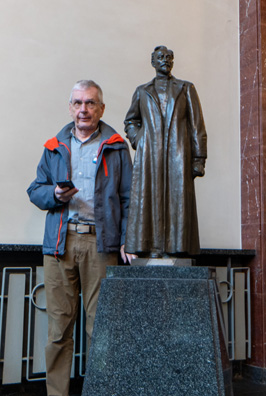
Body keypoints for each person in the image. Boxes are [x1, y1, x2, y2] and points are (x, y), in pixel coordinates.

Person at [27, 80, 134, 396]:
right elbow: (36, 190)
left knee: (101, 330)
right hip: (60, 245)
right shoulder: (54, 146)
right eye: (77, 103)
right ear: (70, 106)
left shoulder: (116, 146)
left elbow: (129, 198)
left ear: (101, 108)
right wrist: (56, 194)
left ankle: (100, 391)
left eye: (90, 103)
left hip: (101, 245)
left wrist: (127, 237)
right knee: (59, 331)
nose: (83, 109)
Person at [124, 46, 207, 257]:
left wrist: (198, 159)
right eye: (160, 57)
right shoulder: (142, 91)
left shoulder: (186, 88)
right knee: (148, 199)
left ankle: (175, 248)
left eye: (169, 58)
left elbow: (197, 126)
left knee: (177, 201)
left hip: (178, 154)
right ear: (153, 62)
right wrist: (138, 139)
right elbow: (131, 120)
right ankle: (150, 247)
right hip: (150, 156)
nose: (165, 61)